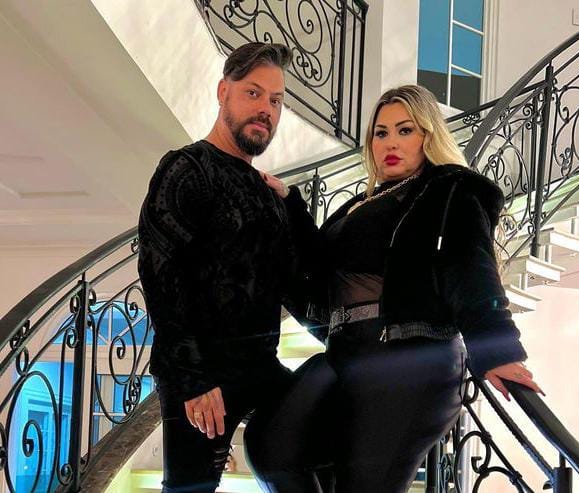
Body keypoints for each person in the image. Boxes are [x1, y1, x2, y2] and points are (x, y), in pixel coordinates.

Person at [244, 85, 543, 493]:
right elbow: (320, 264)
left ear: (428, 135)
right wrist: (289, 203)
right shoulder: (362, 202)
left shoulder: (447, 189)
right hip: (348, 350)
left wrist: (498, 350)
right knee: (271, 447)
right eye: (380, 133)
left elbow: (469, 266)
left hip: (410, 358)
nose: (390, 143)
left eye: (405, 130)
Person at [137, 42, 300, 492]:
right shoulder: (187, 168)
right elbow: (161, 274)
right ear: (223, 92)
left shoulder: (267, 192)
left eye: (276, 101)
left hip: (261, 367)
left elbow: (291, 280)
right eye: (253, 93)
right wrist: (194, 379)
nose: (266, 109)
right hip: (201, 374)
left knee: (322, 425)